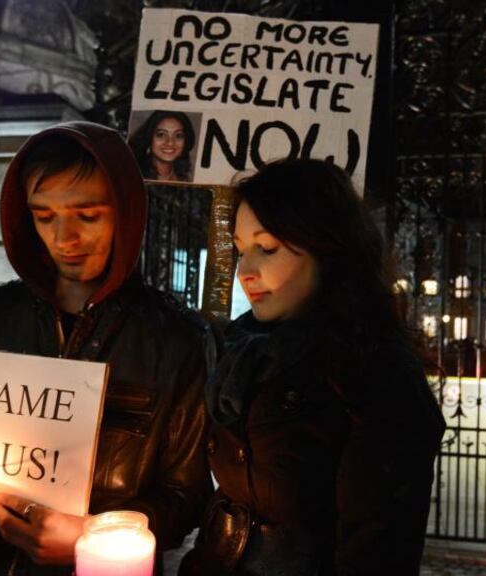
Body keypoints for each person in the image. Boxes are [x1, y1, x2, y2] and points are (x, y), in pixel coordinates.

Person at [0, 122, 214, 574]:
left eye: (88, 215)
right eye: (44, 216)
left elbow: (186, 495)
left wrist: (91, 535)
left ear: (127, 214)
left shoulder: (177, 340)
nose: (64, 238)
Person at [181, 159, 445, 575]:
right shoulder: (241, 351)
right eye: (240, 249)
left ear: (328, 248)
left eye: (266, 248)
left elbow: (378, 551)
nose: (244, 271)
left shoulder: (376, 371)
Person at [129, 110, 196, 182]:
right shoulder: (134, 176)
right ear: (149, 138)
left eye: (178, 135)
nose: (170, 143)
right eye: (161, 135)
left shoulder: (185, 179)